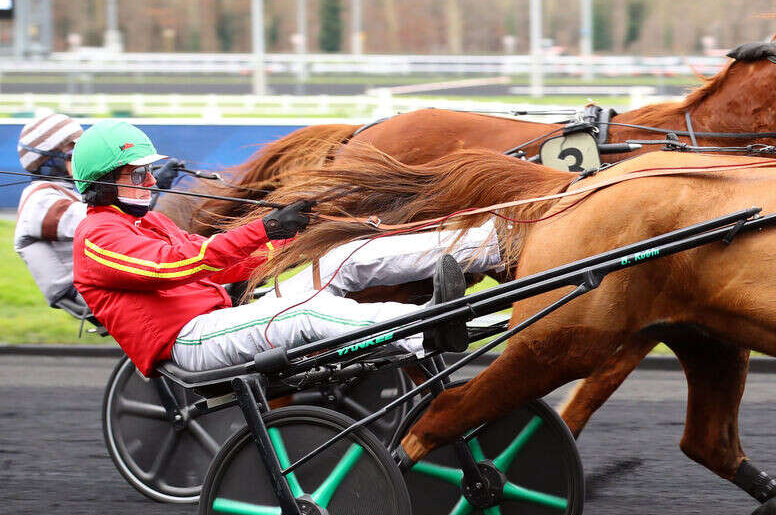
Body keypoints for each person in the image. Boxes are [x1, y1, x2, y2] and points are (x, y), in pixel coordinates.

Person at [70, 120, 486, 376]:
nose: (150, 183)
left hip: (222, 320)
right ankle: (425, 327)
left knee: (343, 256)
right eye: (137, 174)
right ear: (104, 181)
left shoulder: (149, 222)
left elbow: (219, 268)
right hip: (190, 341)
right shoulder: (96, 237)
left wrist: (298, 239)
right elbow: (175, 267)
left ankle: (494, 244)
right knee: (306, 311)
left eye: (147, 173)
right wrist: (263, 228)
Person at [13, 111, 185, 308]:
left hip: (104, 271)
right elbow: (102, 221)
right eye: (71, 146)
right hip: (86, 287)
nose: (80, 150)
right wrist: (152, 185)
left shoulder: (62, 190)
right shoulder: (38, 200)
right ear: (47, 158)